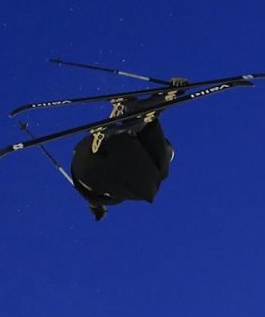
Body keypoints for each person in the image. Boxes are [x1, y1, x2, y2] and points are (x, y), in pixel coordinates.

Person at [69, 83, 185, 221]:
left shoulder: (126, 181)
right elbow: (94, 201)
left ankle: (138, 114)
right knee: (152, 183)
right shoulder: (123, 185)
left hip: (89, 159)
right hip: (85, 160)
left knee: (151, 185)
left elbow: (95, 201)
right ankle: (135, 113)